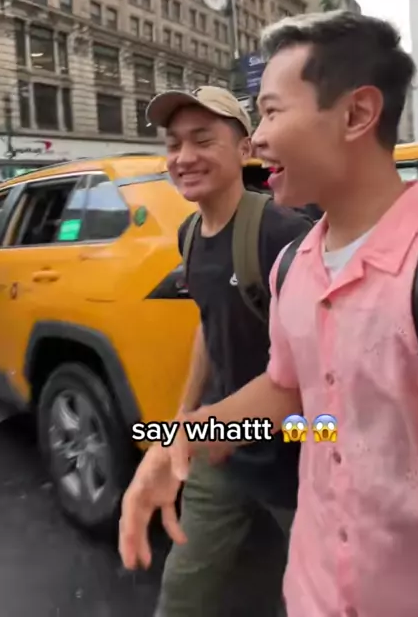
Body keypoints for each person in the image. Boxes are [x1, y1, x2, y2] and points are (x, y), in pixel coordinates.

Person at [162, 12, 418, 617]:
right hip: (310, 588)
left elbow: (315, 416)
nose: (259, 138)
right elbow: (285, 383)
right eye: (173, 144)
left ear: (357, 114)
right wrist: (188, 430)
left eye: (271, 113)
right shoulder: (292, 264)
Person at [119, 85, 312, 616]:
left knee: (323, 597)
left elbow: (320, 364)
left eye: (203, 140)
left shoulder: (282, 233)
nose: (184, 157)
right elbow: (210, 326)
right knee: (184, 594)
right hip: (218, 450)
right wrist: (183, 421)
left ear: (245, 149)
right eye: (173, 144)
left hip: (301, 460)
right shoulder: (189, 234)